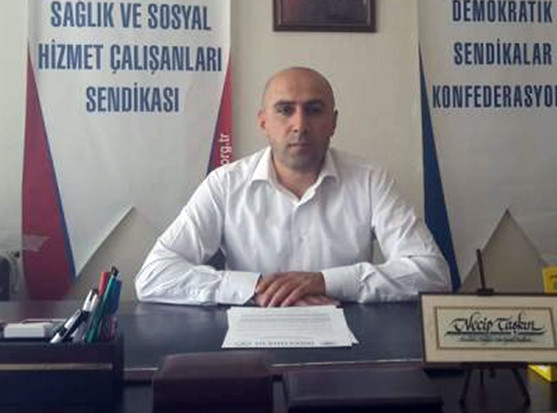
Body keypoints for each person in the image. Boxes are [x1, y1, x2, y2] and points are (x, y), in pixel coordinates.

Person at [135, 67, 450, 307]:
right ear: (263, 122)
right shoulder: (225, 184)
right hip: (250, 347)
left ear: (333, 122)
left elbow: (433, 274)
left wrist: (326, 282)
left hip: (348, 343)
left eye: (314, 110)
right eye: (285, 110)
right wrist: (255, 288)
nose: (300, 125)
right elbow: (154, 275)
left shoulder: (370, 180)